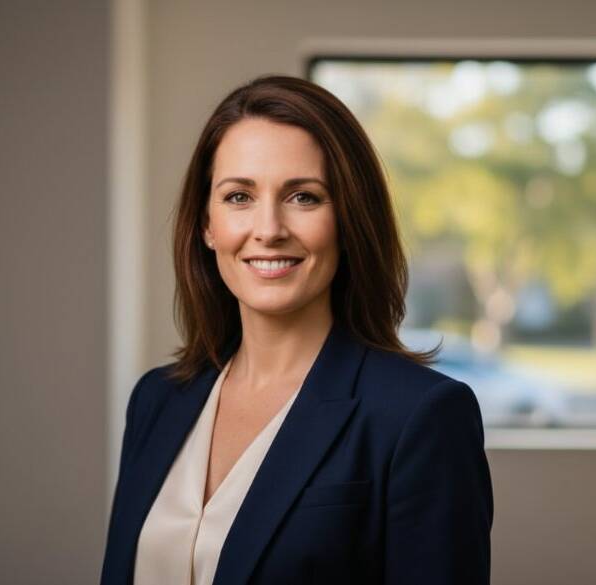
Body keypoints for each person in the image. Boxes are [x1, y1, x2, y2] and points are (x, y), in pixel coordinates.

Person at [100, 74, 493, 585]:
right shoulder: (157, 399)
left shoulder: (420, 417)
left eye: (304, 197)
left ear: (349, 219)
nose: (268, 229)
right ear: (207, 225)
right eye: (239, 196)